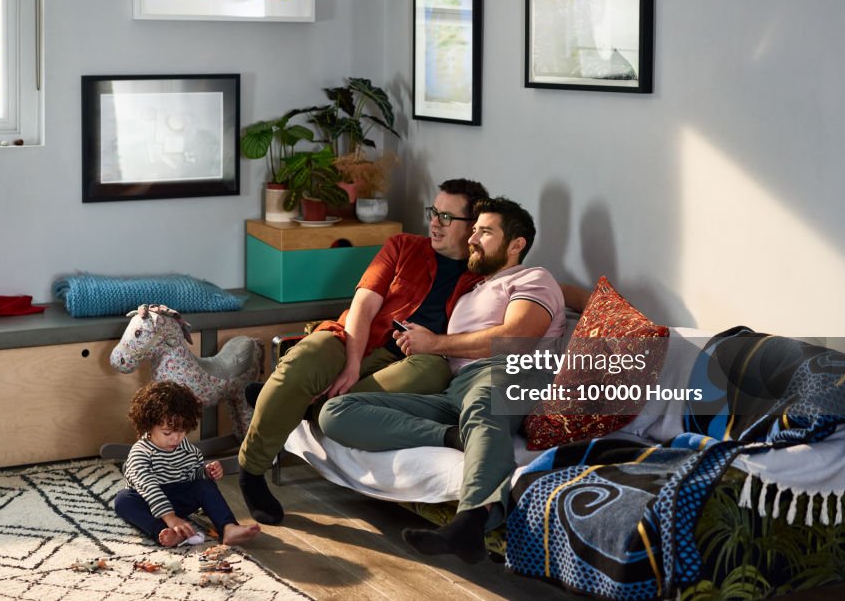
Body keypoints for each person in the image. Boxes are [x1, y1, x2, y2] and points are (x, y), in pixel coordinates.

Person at [318, 197, 566, 564]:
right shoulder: (472, 288)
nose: (473, 238)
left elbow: (518, 338)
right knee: (335, 412)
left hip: (514, 375)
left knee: (484, 403)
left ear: (516, 245)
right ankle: (455, 436)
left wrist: (435, 343)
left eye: (485, 232)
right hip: (456, 390)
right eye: (474, 230)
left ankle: (471, 523)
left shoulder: (533, 278)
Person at [238, 178, 490, 525]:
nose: (434, 222)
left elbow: (535, 284)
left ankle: (296, 401)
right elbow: (363, 305)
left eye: (447, 217)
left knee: (432, 370)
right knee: (304, 360)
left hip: (417, 359)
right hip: (356, 338)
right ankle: (251, 472)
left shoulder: (483, 277)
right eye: (434, 212)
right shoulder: (403, 246)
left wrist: (586, 295)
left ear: (472, 227)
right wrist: (352, 364)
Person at [114, 380, 260, 547]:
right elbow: (148, 486)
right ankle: (164, 531)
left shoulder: (187, 449)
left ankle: (228, 527)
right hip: (148, 501)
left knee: (204, 485)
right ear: (148, 426)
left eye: (182, 431)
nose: (176, 438)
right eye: (167, 433)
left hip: (178, 499)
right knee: (123, 501)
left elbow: (191, 475)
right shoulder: (141, 452)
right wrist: (170, 517)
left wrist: (206, 472)